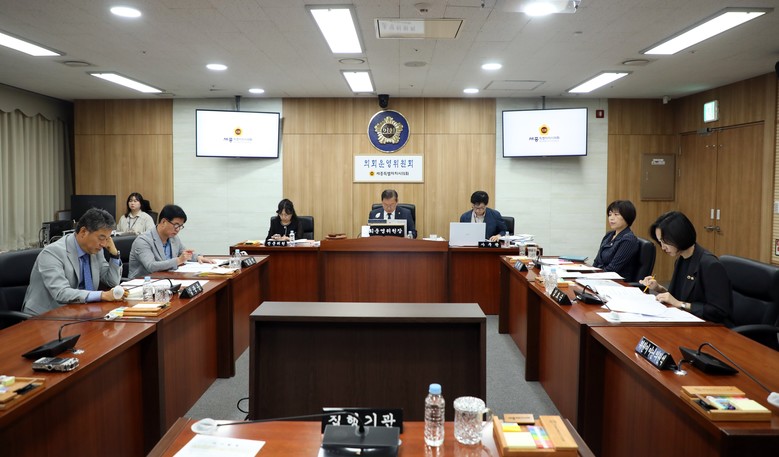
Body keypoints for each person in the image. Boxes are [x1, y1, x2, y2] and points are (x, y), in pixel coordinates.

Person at [639, 211, 733, 326]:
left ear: (679, 236)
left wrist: (680, 304)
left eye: (665, 241)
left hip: (710, 327)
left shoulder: (710, 265)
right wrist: (658, 288)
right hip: (687, 320)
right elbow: (679, 297)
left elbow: (718, 311)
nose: (663, 247)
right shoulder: (681, 260)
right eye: (660, 242)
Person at [22, 208, 123, 315]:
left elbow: (112, 282)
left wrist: (114, 254)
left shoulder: (95, 250)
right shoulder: (52, 253)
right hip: (45, 316)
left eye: (107, 239)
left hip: (79, 312)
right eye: (101, 238)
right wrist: (101, 295)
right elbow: (61, 293)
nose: (104, 244)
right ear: (83, 232)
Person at [128, 204, 213, 279]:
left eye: (180, 226)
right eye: (176, 225)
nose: (178, 229)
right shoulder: (143, 241)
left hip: (167, 279)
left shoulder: (173, 238)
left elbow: (183, 253)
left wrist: (197, 257)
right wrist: (178, 260)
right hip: (142, 284)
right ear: (163, 222)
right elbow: (151, 266)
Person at [593, 200, 640, 280]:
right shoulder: (609, 235)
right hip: (601, 277)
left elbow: (612, 269)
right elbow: (597, 261)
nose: (611, 218)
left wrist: (593, 277)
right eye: (610, 214)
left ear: (627, 216)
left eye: (616, 214)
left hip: (617, 282)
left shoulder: (628, 240)